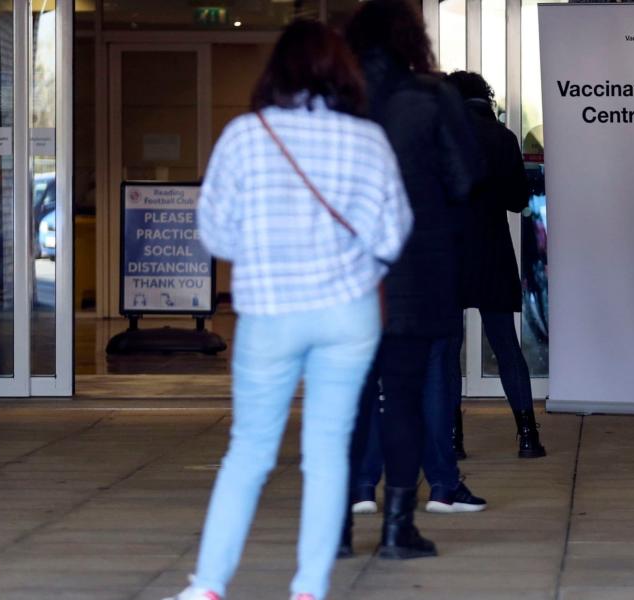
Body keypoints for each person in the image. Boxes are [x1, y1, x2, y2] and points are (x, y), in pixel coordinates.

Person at [163, 20, 413, 600]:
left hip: (271, 310)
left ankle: (208, 586)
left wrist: (266, 249)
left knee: (248, 450)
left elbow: (215, 234)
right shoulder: (367, 139)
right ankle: (308, 588)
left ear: (276, 71)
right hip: (348, 314)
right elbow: (393, 232)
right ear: (343, 72)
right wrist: (356, 271)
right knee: (327, 451)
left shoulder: (246, 137)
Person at [339, 0, 487, 561]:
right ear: (410, 41)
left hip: (345, 275)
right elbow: (463, 178)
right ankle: (399, 529)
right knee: (403, 396)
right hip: (418, 271)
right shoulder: (431, 97)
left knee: (348, 401)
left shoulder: (336, 101)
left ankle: (337, 525)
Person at [446, 70, 547, 459]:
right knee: (506, 345)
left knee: (448, 350)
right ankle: (527, 437)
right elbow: (517, 199)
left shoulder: (444, 136)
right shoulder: (503, 138)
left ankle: (453, 441)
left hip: (450, 254)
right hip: (491, 251)